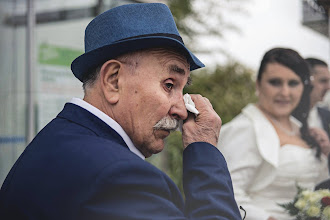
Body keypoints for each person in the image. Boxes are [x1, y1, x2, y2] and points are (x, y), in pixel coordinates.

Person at [0, 3, 241, 220]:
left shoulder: (57, 140)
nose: (180, 109)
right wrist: (204, 147)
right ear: (113, 80)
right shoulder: (121, 177)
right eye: (169, 85)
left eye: (181, 89)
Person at [217, 48, 329, 220]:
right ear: (258, 84)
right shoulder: (244, 128)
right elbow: (224, 193)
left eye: (293, 83)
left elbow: (315, 181)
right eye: (275, 82)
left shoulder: (301, 129)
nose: (285, 92)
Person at [306, 58, 330, 138]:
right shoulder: (287, 116)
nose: (328, 87)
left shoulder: (326, 115)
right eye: (323, 81)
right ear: (306, 81)